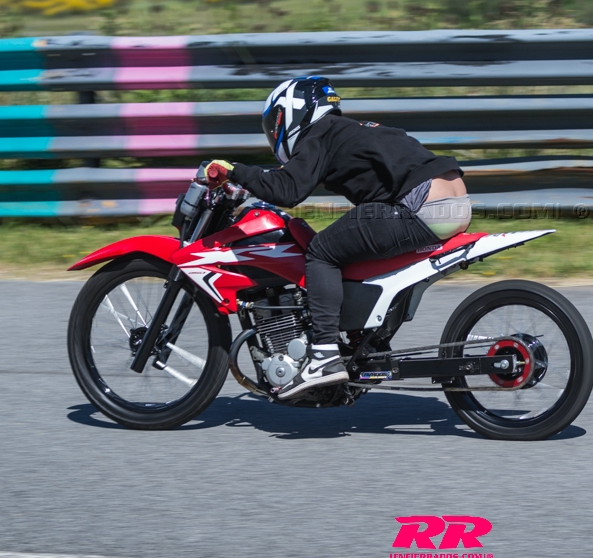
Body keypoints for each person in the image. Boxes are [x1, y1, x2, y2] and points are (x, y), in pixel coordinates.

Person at [201, 77, 471, 399]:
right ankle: (363, 340)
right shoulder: (346, 130)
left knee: (321, 251)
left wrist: (234, 171)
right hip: (456, 203)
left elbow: (288, 191)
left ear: (291, 112)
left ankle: (324, 355)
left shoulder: (318, 134)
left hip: (422, 204)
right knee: (350, 247)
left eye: (274, 124)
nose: (274, 133)